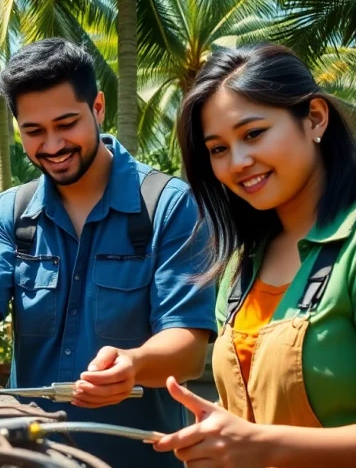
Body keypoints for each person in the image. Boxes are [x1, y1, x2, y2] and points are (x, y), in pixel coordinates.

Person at [0, 38, 216, 467]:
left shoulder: (170, 206)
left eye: (66, 123)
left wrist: (132, 364)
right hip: (28, 457)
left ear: (97, 108)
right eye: (34, 131)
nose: (53, 144)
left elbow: (188, 349)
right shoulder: (10, 212)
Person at [152, 45, 356, 467]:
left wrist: (262, 444)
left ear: (315, 117)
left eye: (253, 134)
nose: (238, 162)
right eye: (218, 149)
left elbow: (260, 439)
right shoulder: (241, 265)